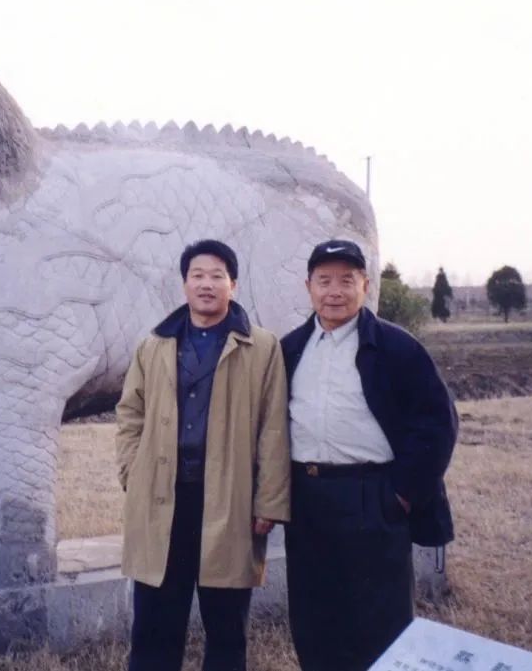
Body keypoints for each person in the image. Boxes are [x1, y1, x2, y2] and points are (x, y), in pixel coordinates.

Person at [281, 239, 458, 671]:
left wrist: (402, 494)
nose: (335, 291)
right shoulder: (290, 348)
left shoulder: (397, 348)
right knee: (315, 616)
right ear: (309, 287)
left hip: (373, 497)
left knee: (381, 620)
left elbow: (437, 424)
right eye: (324, 281)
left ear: (365, 284)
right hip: (306, 497)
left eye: (347, 280)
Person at [116, 239, 291, 671]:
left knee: (227, 627)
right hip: (163, 499)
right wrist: (132, 472)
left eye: (217, 276)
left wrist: (268, 500)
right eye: (198, 275)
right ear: (184, 285)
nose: (207, 284)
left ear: (233, 284)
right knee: (155, 623)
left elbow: (273, 427)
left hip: (229, 501)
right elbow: (130, 412)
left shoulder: (262, 347)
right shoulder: (154, 345)